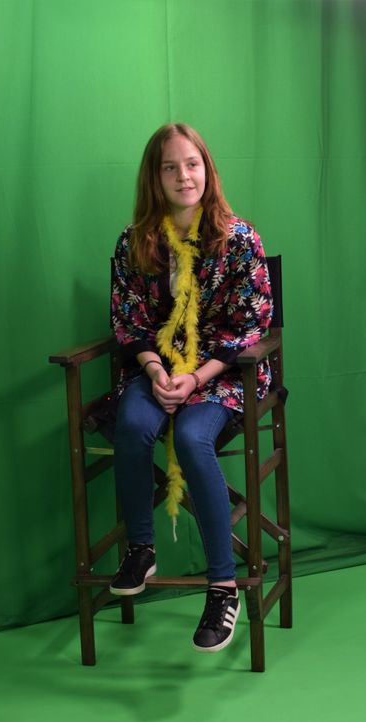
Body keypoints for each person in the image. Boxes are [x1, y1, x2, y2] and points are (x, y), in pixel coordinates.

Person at [108, 122, 272, 653]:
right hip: (157, 367)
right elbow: (128, 319)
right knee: (133, 424)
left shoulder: (239, 238)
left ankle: (223, 586)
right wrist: (156, 371)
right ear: (154, 178)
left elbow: (253, 322)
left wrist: (198, 376)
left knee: (191, 437)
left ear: (207, 169)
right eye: (170, 167)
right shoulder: (135, 241)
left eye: (192, 164)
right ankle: (141, 548)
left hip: (223, 372)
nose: (184, 176)